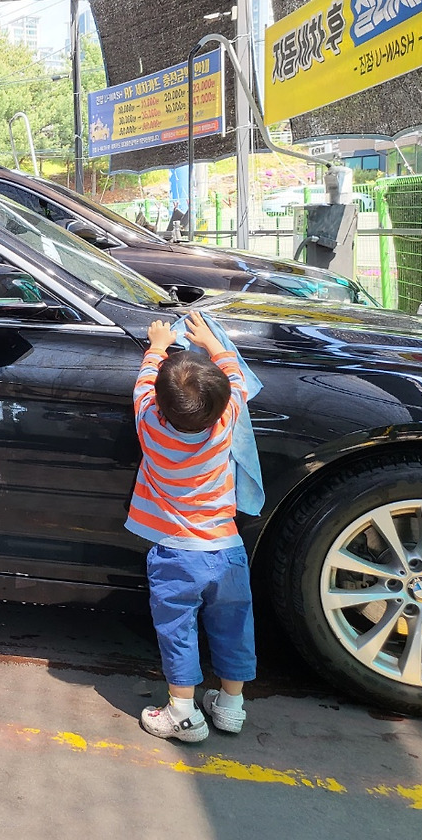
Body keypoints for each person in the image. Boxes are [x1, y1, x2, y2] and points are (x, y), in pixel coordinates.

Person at [126, 310, 256, 741]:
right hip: (228, 550)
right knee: (234, 626)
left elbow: (143, 384)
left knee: (178, 631)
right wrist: (214, 345)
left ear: (160, 404)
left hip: (176, 554)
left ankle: (183, 714)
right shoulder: (225, 422)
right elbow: (236, 379)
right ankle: (231, 706)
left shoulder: (149, 425)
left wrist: (157, 347)